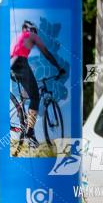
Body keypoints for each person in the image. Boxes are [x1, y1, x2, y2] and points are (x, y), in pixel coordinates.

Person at [10, 20, 65, 148]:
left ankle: (24, 124)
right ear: (33, 30)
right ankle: (30, 132)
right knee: (35, 97)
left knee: (29, 94)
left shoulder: (19, 37)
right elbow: (46, 53)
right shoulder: (32, 36)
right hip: (20, 63)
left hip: (12, 63)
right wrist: (58, 67)